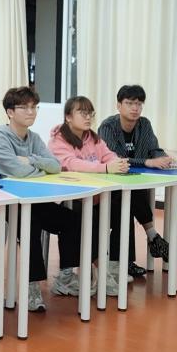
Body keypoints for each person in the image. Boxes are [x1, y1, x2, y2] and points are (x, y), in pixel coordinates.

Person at [0, 86, 84, 310]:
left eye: (34, 107)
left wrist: (30, 160)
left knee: (72, 220)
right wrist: (39, 167)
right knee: (31, 224)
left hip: (33, 199)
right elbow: (18, 172)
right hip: (5, 202)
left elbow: (55, 166)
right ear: (10, 112)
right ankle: (31, 287)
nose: (31, 112)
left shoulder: (34, 137)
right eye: (25, 107)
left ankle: (66, 277)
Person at [48, 96, 130, 295]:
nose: (88, 117)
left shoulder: (93, 137)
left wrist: (117, 163)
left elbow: (108, 155)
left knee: (125, 203)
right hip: (68, 198)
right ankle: (97, 271)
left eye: (90, 113)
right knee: (87, 216)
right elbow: (71, 164)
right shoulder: (58, 139)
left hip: (94, 195)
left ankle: (112, 265)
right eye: (82, 113)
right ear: (68, 116)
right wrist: (105, 168)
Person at [98, 84, 177, 275]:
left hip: (134, 182)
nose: (135, 108)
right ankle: (153, 237)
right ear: (119, 105)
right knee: (128, 198)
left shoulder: (144, 124)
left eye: (139, 104)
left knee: (133, 193)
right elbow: (115, 158)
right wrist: (147, 162)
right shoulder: (108, 127)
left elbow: (154, 148)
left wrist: (163, 157)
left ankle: (131, 258)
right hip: (110, 184)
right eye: (129, 103)